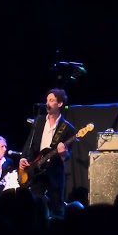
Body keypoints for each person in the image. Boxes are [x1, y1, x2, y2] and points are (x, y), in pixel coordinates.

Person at [19, 88, 76, 219]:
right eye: (47, 100)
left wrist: (63, 154)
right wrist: (23, 157)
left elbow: (68, 155)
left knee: (56, 207)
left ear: (60, 104)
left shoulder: (67, 128)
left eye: (51, 100)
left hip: (54, 171)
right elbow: (30, 142)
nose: (47, 103)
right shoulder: (39, 121)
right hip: (36, 168)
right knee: (35, 205)